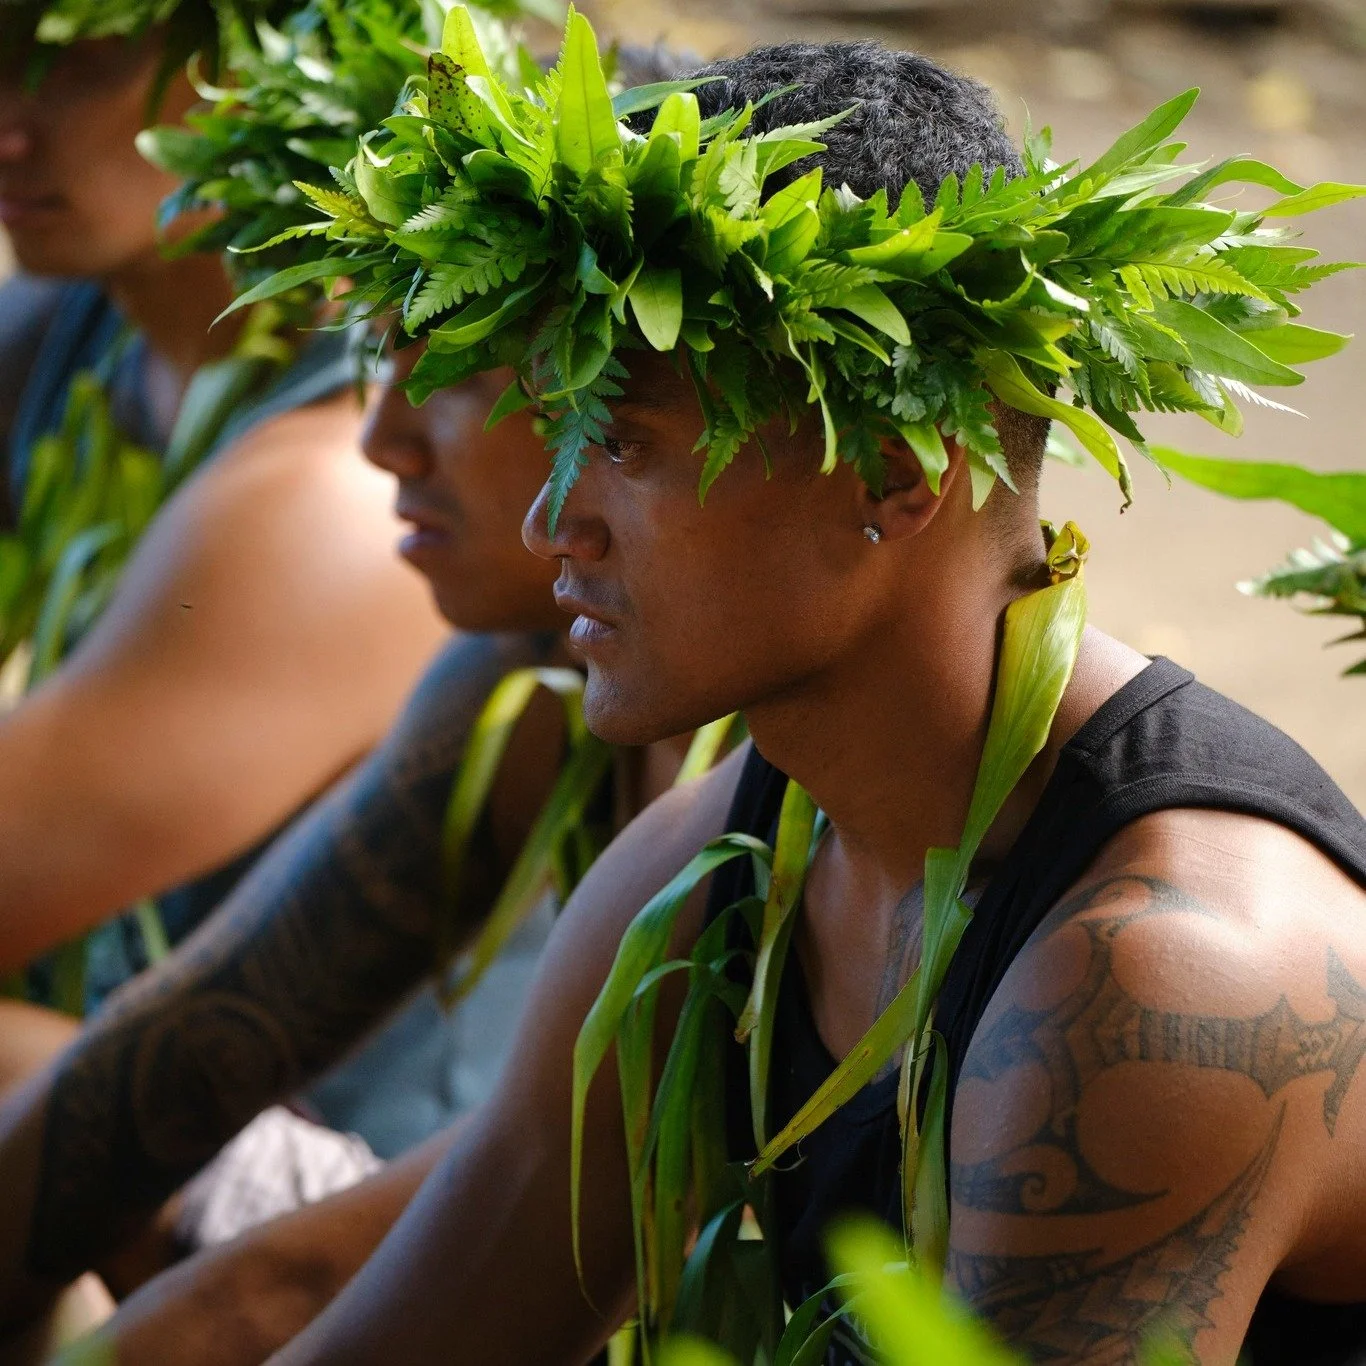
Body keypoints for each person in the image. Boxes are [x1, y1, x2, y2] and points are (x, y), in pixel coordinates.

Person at [194, 34, 1366, 1366]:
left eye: (625, 443)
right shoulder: (715, 867)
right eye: (559, 431)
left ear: (890, 472)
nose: (548, 522)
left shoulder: (1166, 980)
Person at [0, 342, 702, 1362]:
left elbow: (280, 1291)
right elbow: (189, 1036)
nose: (379, 439)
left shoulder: (773, 789)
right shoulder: (518, 673)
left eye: (459, 373)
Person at [0, 13, 448, 1001]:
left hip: (326, 1137)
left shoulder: (343, 488)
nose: (9, 128)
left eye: (73, 63)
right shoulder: (71, 322)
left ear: (277, 56)